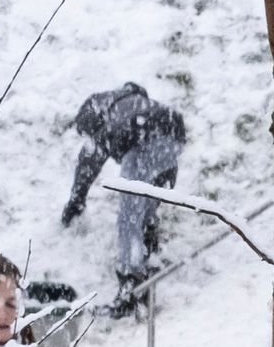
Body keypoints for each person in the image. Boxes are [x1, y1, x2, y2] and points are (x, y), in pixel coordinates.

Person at [61, 82, 189, 303]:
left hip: (142, 139)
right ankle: (149, 242)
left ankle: (131, 284)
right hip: (173, 131)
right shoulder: (127, 100)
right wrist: (166, 176)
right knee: (144, 202)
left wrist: (76, 201)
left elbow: (88, 164)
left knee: (128, 217)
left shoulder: (96, 115)